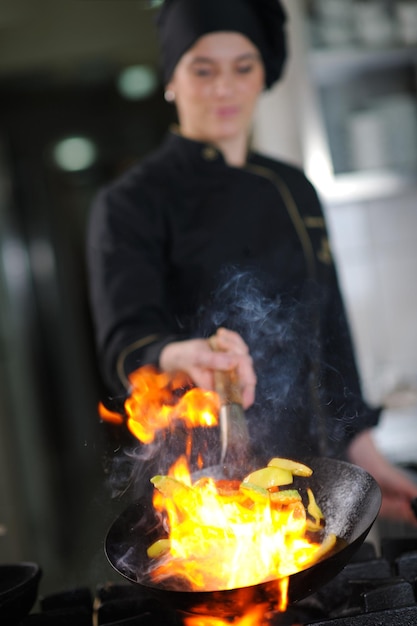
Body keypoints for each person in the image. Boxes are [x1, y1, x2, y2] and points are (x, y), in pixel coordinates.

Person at [87, 0, 417, 525]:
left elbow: (329, 328)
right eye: (203, 69)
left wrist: (363, 451)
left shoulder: (294, 188)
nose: (224, 87)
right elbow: (125, 341)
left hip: (320, 482)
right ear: (172, 77)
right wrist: (178, 356)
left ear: (264, 75)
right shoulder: (131, 203)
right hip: (211, 487)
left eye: (243, 68)